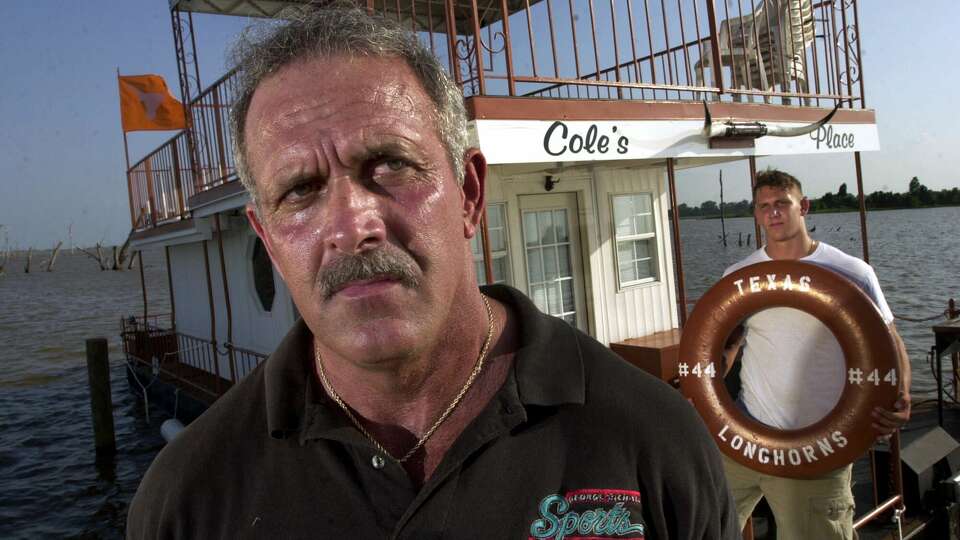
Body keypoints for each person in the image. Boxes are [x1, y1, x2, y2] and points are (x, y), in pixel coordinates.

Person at [126, 6, 738, 539]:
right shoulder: (186, 500)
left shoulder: (654, 442)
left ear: (469, 193)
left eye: (390, 164)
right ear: (268, 240)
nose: (351, 224)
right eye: (300, 190)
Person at [720, 169, 911, 539]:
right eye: (764, 207)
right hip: (746, 433)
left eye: (782, 204)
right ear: (756, 215)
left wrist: (901, 395)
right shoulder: (740, 273)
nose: (773, 213)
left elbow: (890, 340)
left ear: (803, 206)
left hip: (817, 444)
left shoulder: (850, 271)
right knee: (705, 521)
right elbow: (729, 344)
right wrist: (704, 393)